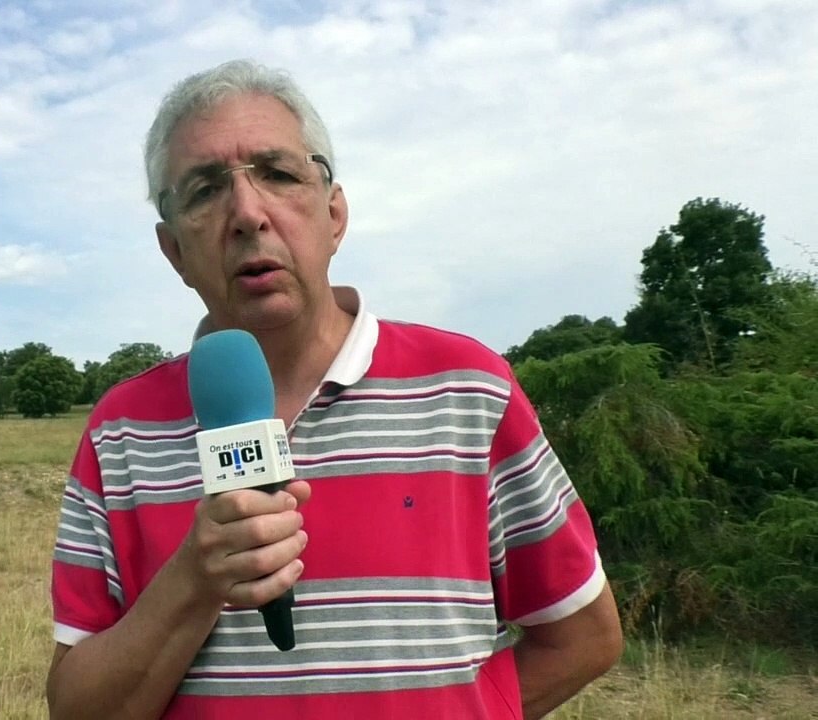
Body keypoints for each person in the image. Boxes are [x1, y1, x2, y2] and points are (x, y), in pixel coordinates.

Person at [46, 59, 623, 719]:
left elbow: (584, 636)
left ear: (334, 213)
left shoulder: (469, 391)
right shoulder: (120, 432)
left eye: (279, 173)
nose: (247, 212)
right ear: (173, 251)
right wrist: (193, 583)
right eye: (205, 189)